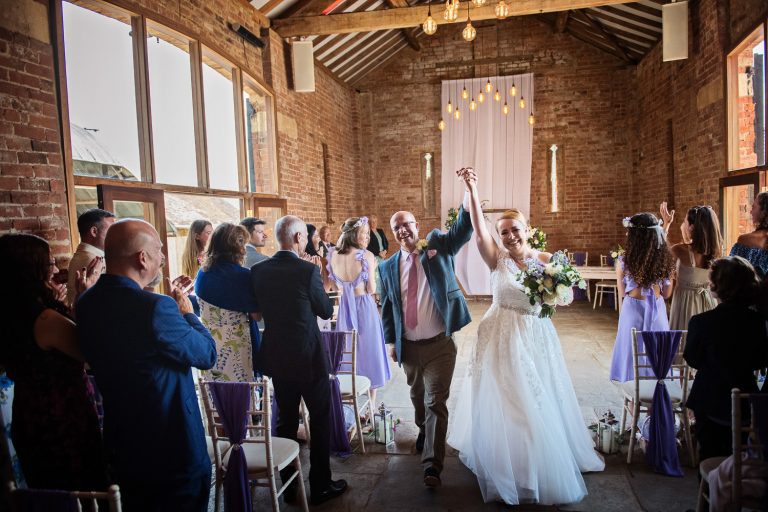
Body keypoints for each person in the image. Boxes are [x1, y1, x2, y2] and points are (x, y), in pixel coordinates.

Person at [447, 169, 604, 505]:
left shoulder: (546, 262)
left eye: (515, 230)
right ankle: (512, 466)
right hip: (501, 336)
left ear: (528, 230)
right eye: (503, 232)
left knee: (539, 400)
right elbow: (477, 228)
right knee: (509, 403)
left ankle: (536, 462)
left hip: (536, 337)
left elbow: (565, 293)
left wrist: (555, 295)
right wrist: (472, 189)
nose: (509, 236)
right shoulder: (496, 259)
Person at [77, 219, 217, 512]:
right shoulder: (157, 308)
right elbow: (206, 354)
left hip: (124, 445)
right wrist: (187, 314)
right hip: (172, 447)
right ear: (142, 258)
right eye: (158, 250)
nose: (162, 257)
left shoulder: (87, 301)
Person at [379, 180, 474, 488]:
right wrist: (391, 340)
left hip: (440, 345)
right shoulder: (387, 266)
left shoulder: (437, 246)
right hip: (408, 347)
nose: (403, 230)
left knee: (436, 401)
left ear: (416, 225)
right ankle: (425, 430)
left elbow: (463, 229)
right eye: (397, 228)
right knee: (418, 398)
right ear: (393, 234)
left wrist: (469, 191)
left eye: (406, 224)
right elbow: (388, 306)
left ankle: (432, 465)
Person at [250, 215, 346, 506]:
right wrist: (315, 274)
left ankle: (289, 486)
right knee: (319, 419)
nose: (307, 240)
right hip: (308, 356)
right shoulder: (306, 270)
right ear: (296, 239)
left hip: (278, 355)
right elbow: (325, 310)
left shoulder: (259, 270)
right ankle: (319, 485)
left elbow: (258, 313)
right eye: (304, 236)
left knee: (285, 419)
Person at [0, 234, 107, 492]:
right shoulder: (46, 320)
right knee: (80, 492)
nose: (55, 269)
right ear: (30, 271)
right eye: (49, 264)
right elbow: (91, 351)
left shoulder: (13, 314)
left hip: (29, 411)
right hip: (60, 418)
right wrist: (86, 295)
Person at [684, 256, 768, 461]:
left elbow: (692, 358)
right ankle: (736, 487)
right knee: (740, 454)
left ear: (715, 288)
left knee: (709, 453)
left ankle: (711, 487)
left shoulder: (701, 322)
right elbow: (760, 360)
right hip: (745, 397)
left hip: (709, 398)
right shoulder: (757, 322)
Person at [327, 216, 391, 407]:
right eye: (364, 233)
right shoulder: (367, 256)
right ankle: (371, 403)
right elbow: (371, 288)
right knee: (370, 350)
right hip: (364, 306)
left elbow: (330, 287)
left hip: (344, 308)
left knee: (347, 351)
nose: (367, 237)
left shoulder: (332, 255)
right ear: (354, 234)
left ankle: (348, 400)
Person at [609, 212, 675, 382]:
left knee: (632, 354)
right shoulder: (666, 261)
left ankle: (634, 399)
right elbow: (667, 294)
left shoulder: (624, 261)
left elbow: (622, 292)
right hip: (657, 312)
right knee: (657, 354)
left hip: (633, 311)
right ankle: (657, 394)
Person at [196, 223, 260, 382]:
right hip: (237, 347)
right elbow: (257, 315)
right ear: (238, 248)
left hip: (208, 346)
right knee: (241, 398)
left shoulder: (202, 273)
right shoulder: (243, 276)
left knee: (216, 398)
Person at [668, 205, 722, 330]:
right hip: (710, 303)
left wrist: (666, 225)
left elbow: (660, 256)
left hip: (685, 305)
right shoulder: (717, 252)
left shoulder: (679, 250)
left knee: (687, 341)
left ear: (691, 227)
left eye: (684, 221)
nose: (682, 225)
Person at [67, 208, 115, 307]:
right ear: (94, 231)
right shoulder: (93, 261)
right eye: (111, 230)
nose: (115, 235)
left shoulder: (83, 255)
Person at [730, 191, 768, 277]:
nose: (751, 212)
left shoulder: (744, 240)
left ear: (763, 212)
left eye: (754, 207)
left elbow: (731, 274)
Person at [366, 214, 389, 301]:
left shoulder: (380, 231)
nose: (373, 223)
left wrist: (385, 251)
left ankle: (382, 296)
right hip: (374, 257)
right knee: (376, 276)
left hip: (382, 256)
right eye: (371, 222)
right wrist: (378, 253)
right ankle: (377, 297)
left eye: (375, 221)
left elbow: (386, 242)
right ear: (369, 223)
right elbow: (368, 247)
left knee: (382, 276)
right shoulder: (368, 232)